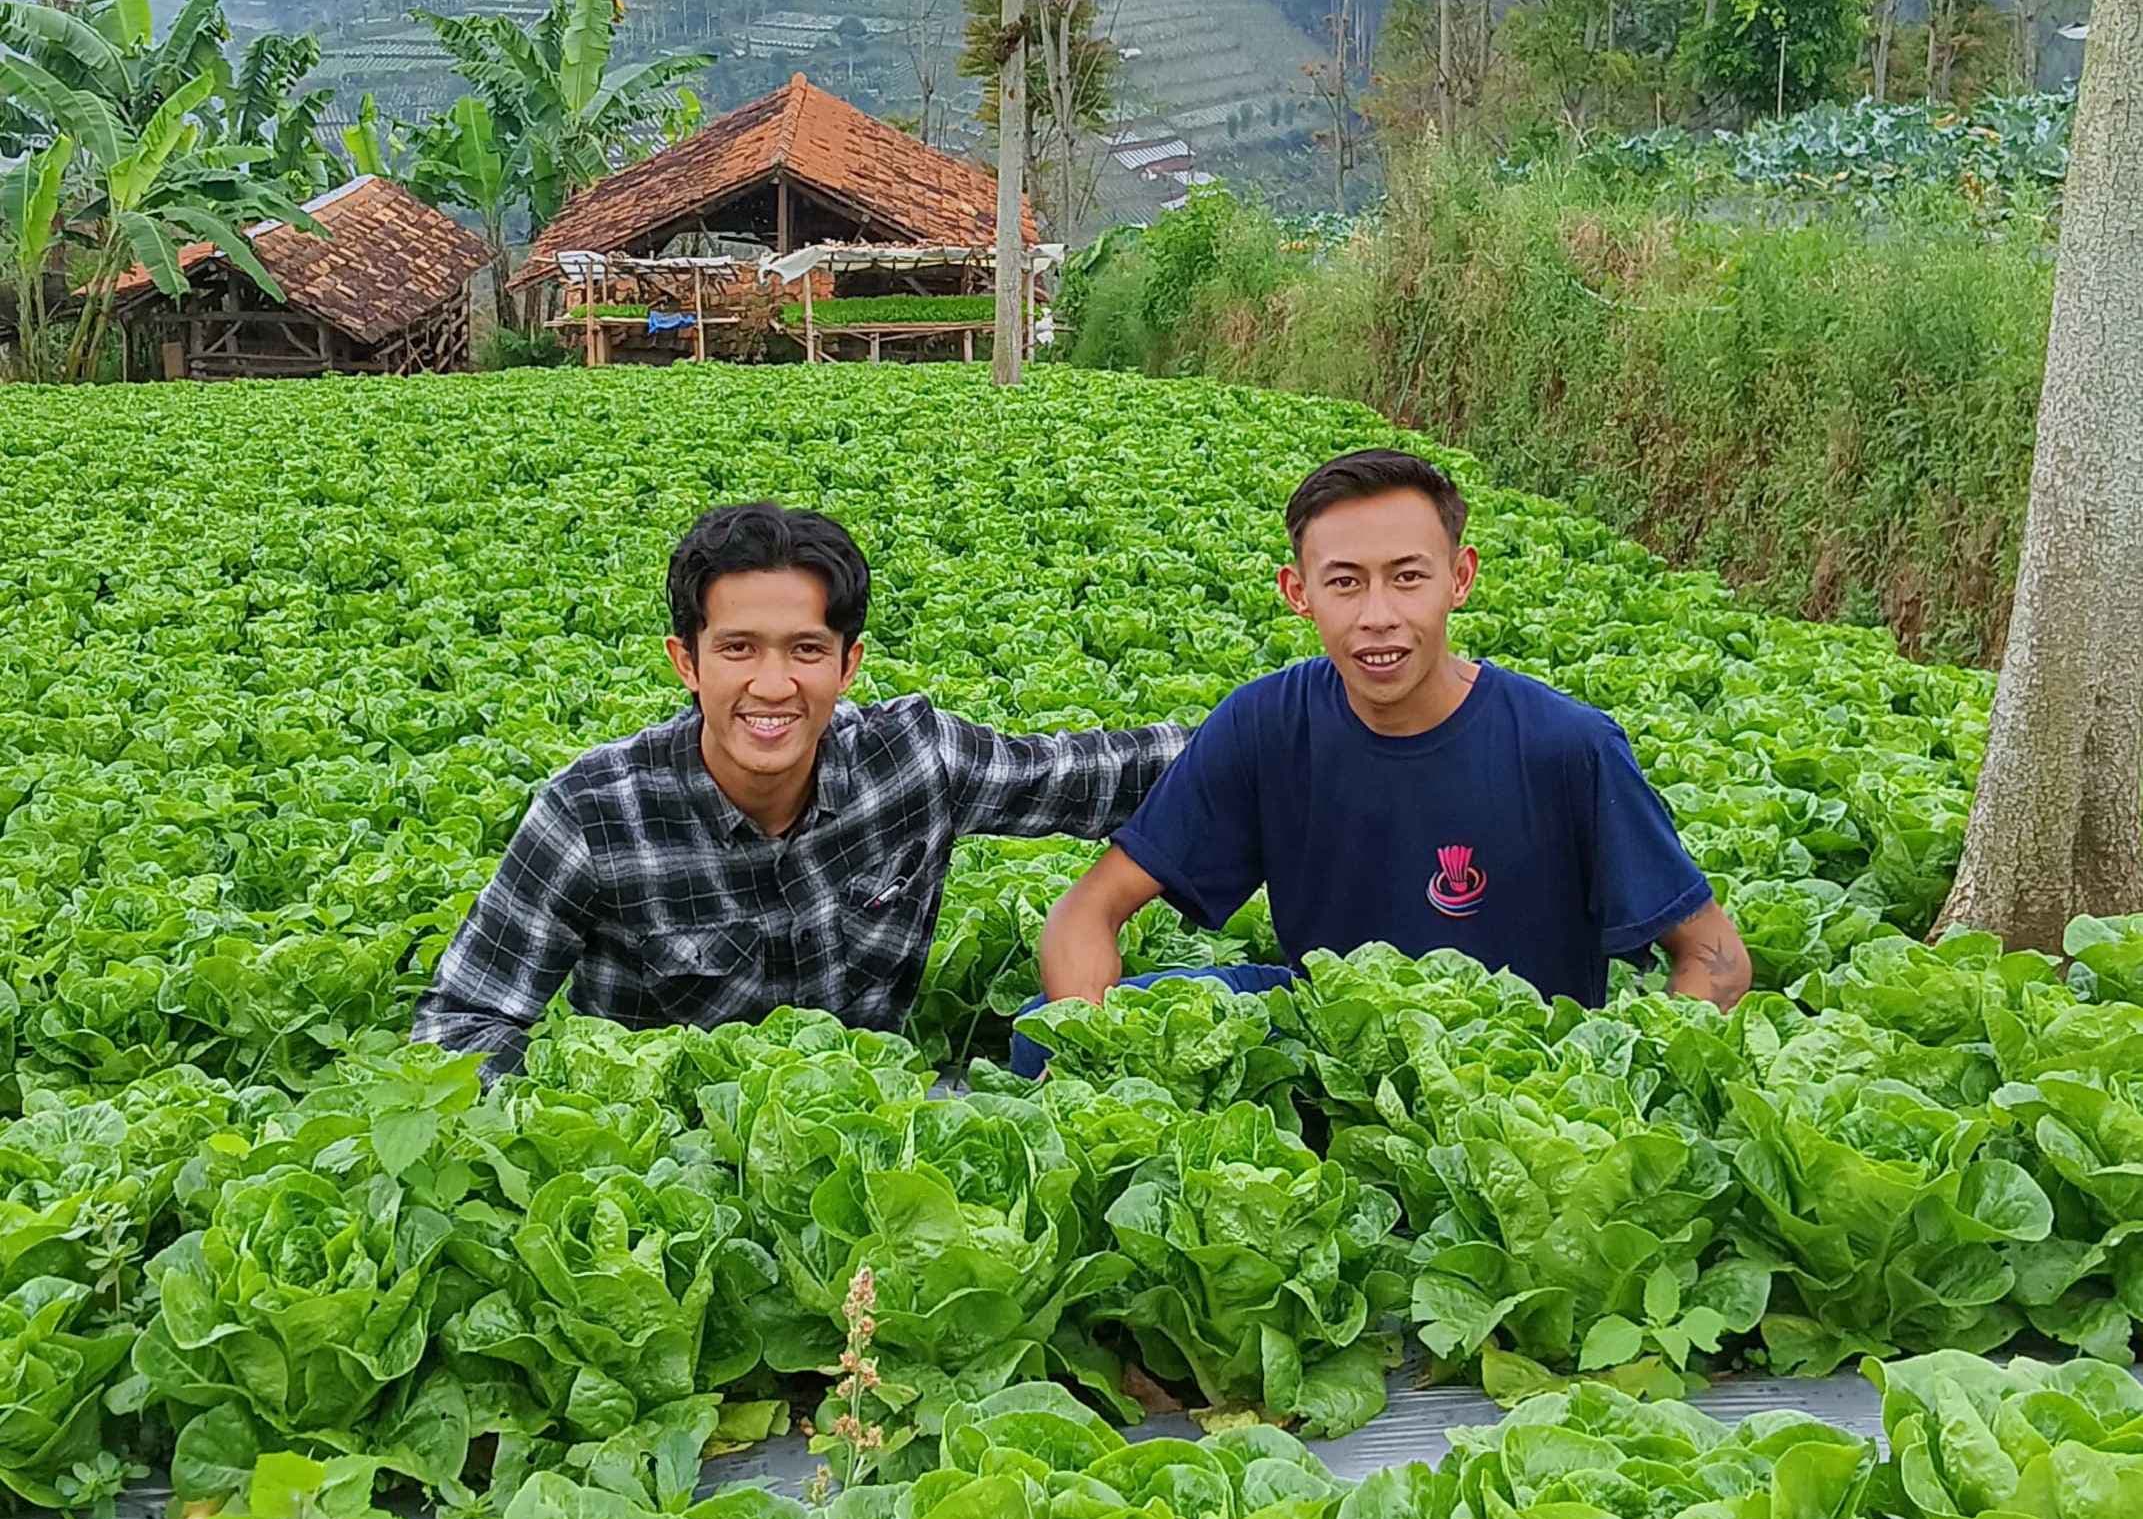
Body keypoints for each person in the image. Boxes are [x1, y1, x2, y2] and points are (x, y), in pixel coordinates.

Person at [413, 501, 1195, 1072]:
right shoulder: (592, 813)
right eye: (739, 648)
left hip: (871, 1146)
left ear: (848, 666)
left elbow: (1105, 774)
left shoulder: (910, 764)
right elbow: (465, 1017)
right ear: (687, 662)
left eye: (806, 651)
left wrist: (1301, 722)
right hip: (670, 1170)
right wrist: (569, 1132)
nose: (773, 684)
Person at [1033, 447, 1751, 1045]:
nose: (1378, 617)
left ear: (1459, 578)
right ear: (1297, 592)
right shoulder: (1267, 724)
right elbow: (1085, 912)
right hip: (1329, 1040)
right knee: (1042, 1032)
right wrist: (1091, 1050)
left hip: (1510, 1062)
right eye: (1344, 583)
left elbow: (1714, 958)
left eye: (1408, 578)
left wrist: (1618, 1076)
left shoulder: (1566, 747)